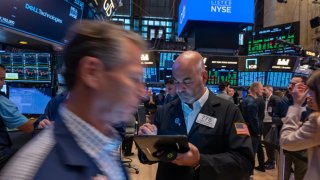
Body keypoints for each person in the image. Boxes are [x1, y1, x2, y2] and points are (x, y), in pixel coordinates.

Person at [0, 20, 145, 180]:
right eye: (133, 78)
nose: (143, 92)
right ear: (92, 72)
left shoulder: (106, 144)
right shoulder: (31, 171)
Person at [139, 51, 254, 180]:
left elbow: (244, 162)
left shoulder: (229, 112)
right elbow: (150, 156)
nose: (179, 89)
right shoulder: (164, 111)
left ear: (204, 77)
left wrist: (200, 161)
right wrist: (147, 141)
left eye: (187, 82)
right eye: (176, 82)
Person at [280, 70, 320, 180]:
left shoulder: (316, 120)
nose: (309, 95)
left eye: (311, 90)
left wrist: (296, 105)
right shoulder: (283, 101)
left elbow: (286, 141)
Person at [0, 64, 35, 170]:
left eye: (3, 79)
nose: (3, 83)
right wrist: (42, 119)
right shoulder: (1, 102)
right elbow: (28, 127)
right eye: (0, 79)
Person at [273, 76, 308, 180]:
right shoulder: (282, 101)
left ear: (303, 86)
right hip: (284, 146)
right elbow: (274, 118)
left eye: (294, 84)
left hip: (303, 147)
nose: (289, 86)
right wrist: (282, 120)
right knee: (283, 175)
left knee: (301, 176)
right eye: (290, 83)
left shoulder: (310, 102)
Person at [242, 82, 265, 172]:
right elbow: (253, 120)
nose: (262, 91)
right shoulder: (252, 103)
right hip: (252, 132)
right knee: (252, 154)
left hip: (246, 130)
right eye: (261, 88)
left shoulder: (246, 99)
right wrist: (258, 132)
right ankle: (249, 174)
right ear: (255, 89)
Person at [262, 85, 280, 170]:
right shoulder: (265, 98)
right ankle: (269, 160)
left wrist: (274, 119)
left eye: (264, 90)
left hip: (271, 124)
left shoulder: (275, 98)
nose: (263, 91)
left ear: (270, 90)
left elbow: (279, 112)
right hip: (265, 123)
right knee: (266, 143)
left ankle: (272, 162)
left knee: (271, 143)